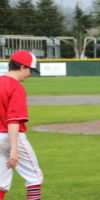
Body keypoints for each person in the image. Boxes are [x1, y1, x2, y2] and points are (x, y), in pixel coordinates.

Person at [0, 50, 43, 200]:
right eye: (30, 70)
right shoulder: (16, 87)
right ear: (22, 67)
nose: (30, 73)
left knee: (1, 181)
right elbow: (13, 121)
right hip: (11, 137)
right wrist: (14, 149)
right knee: (34, 176)